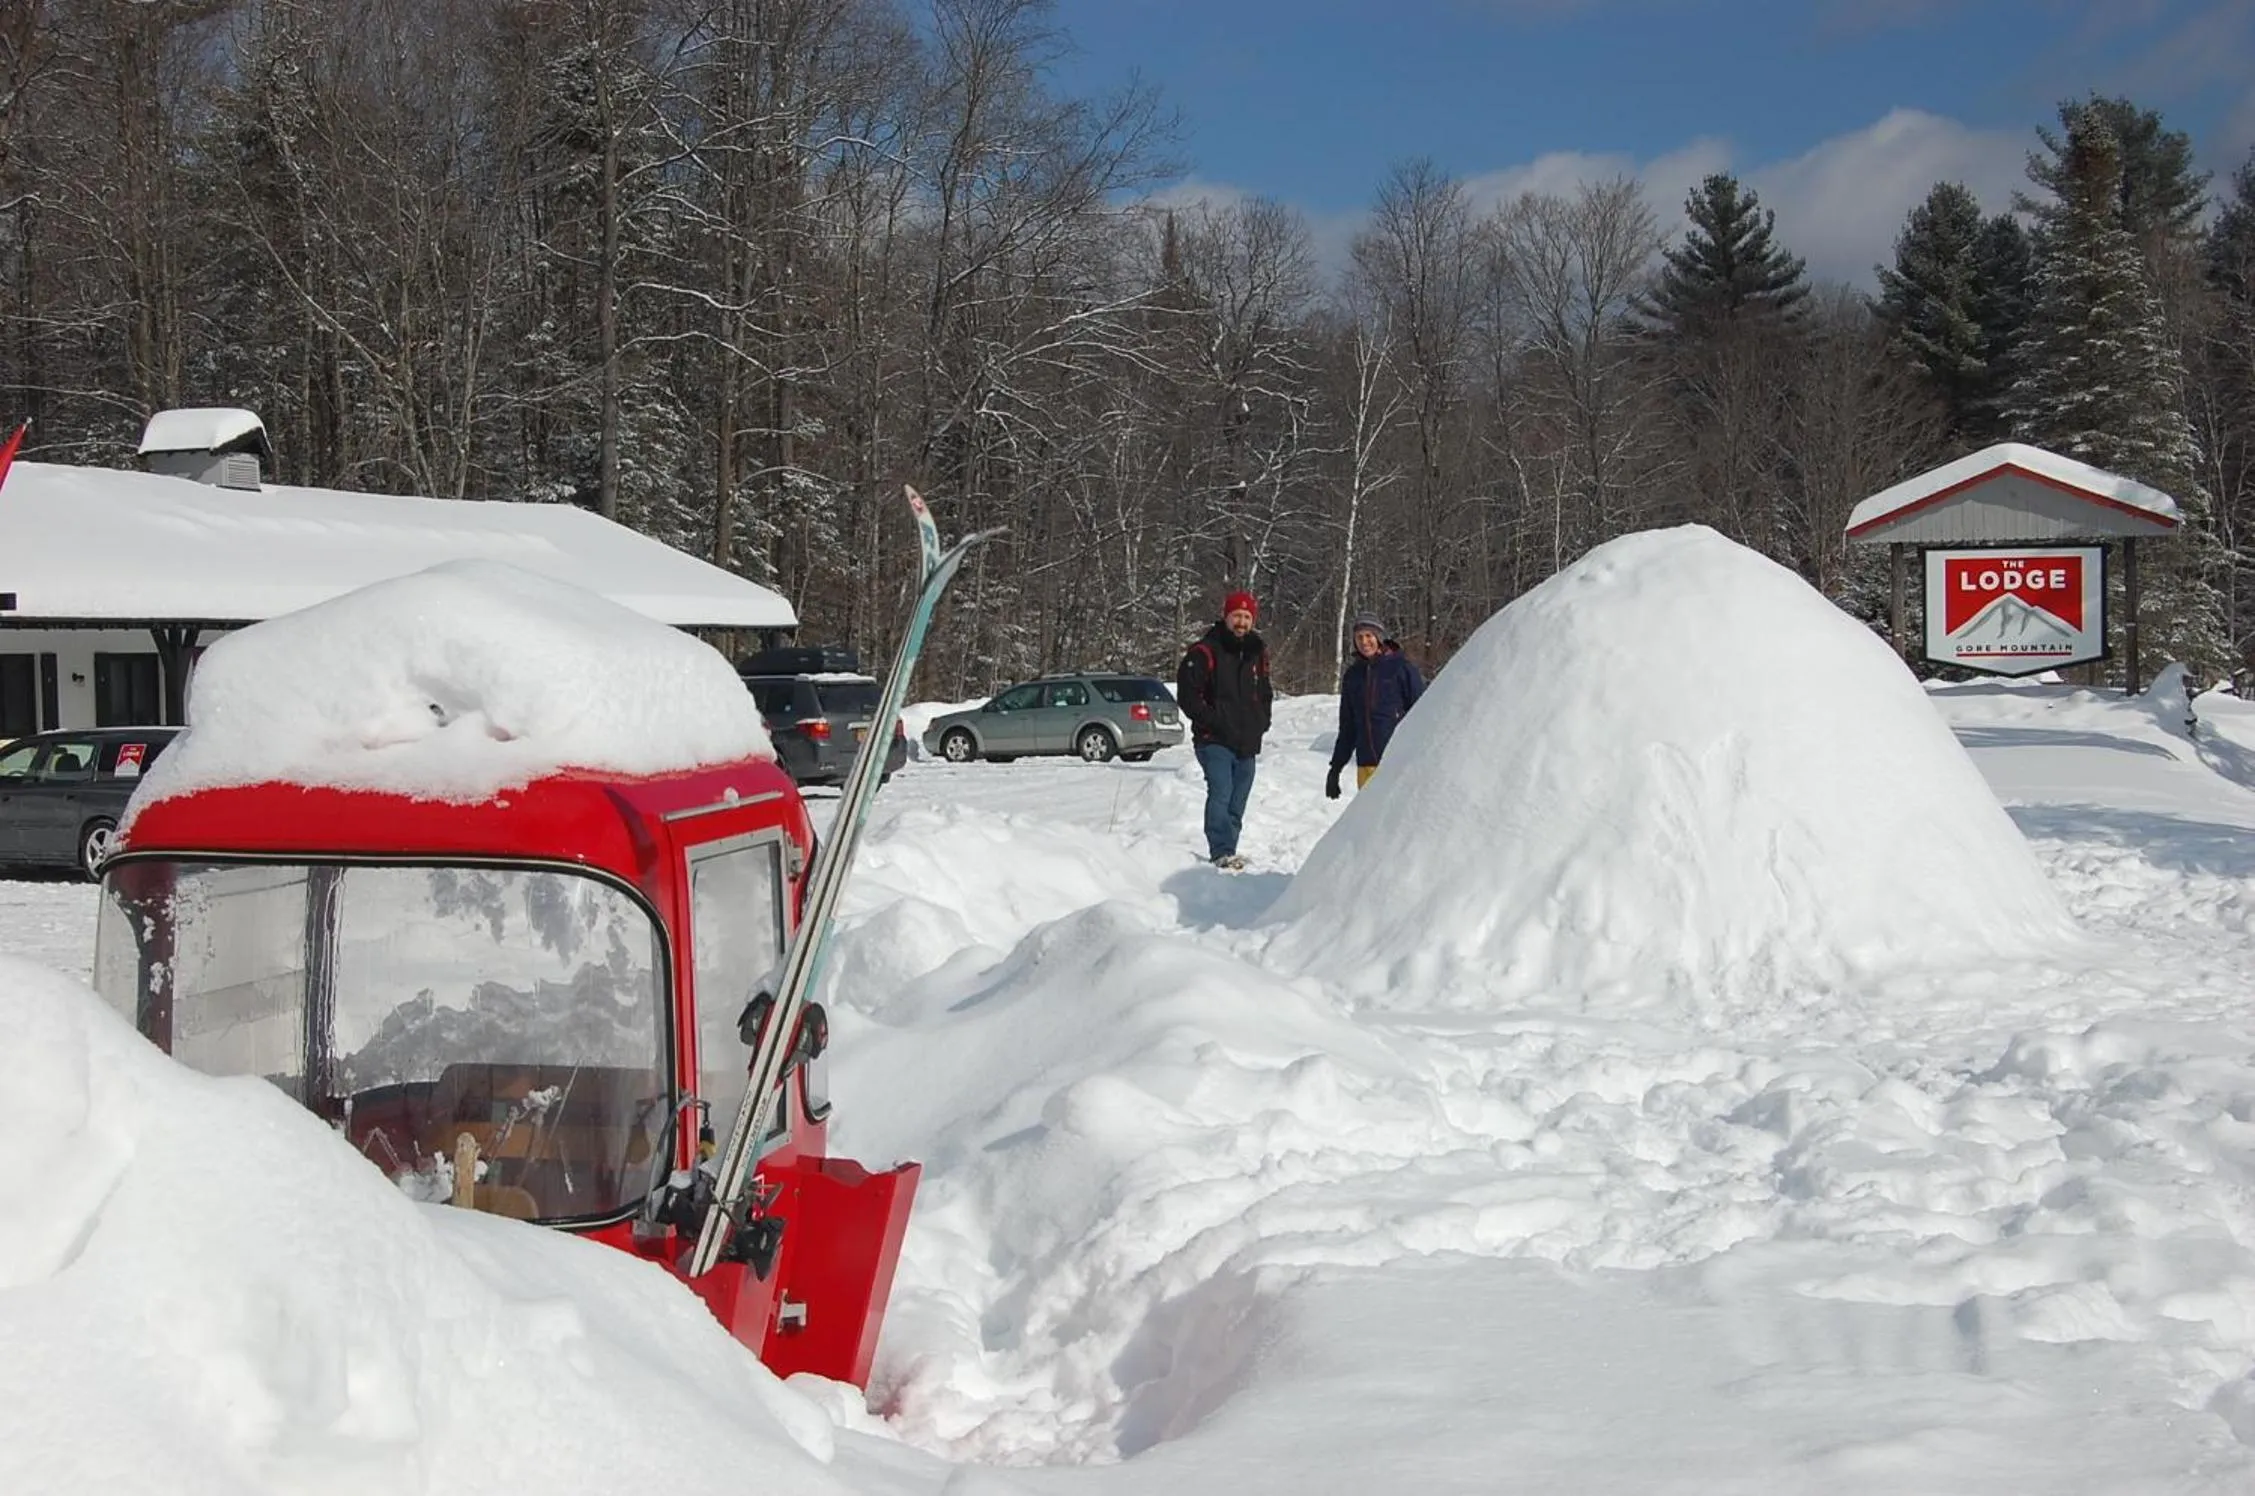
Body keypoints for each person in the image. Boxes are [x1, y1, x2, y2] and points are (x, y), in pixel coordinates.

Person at [1177, 589, 1273, 869]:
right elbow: (1188, 696)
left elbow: (1265, 692)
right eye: (1237, 616)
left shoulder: (1257, 652)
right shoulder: (1205, 650)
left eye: (1247, 616)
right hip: (1214, 739)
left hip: (1246, 740)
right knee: (1221, 791)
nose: (1241, 622)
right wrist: (1213, 720)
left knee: (1238, 798)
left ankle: (1228, 849)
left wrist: (1262, 722)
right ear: (1226, 617)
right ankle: (1219, 850)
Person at [1326, 613, 1425, 799]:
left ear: (1379, 637)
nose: (1364, 642)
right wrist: (1336, 768)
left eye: (1369, 636)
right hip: (1366, 765)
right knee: (1370, 826)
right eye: (1359, 637)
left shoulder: (1401, 668)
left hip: (1398, 763)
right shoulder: (1353, 676)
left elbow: (1422, 714)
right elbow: (1348, 727)